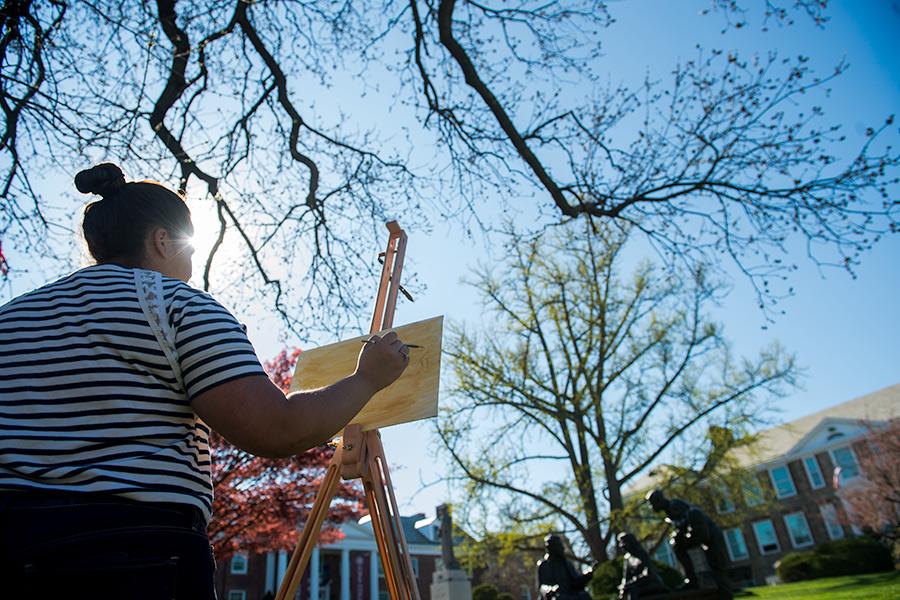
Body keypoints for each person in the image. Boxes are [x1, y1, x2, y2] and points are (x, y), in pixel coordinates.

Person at [0, 163, 411, 598]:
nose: (191, 267)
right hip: (130, 552)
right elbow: (276, 429)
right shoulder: (171, 304)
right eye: (190, 251)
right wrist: (367, 378)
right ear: (162, 240)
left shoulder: (13, 317)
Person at [645, 489, 732, 598]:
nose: (650, 507)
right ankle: (692, 579)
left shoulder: (675, 506)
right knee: (677, 545)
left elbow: (692, 520)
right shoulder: (669, 514)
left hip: (710, 537)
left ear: (658, 501)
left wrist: (683, 535)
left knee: (718, 571)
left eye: (651, 503)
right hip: (702, 538)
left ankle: (724, 595)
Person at [536, 534, 594, 600]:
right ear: (551, 548)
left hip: (570, 594)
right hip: (555, 595)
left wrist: (588, 574)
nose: (562, 548)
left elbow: (577, 582)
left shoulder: (567, 564)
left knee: (584, 595)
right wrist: (550, 589)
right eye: (559, 545)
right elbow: (542, 587)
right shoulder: (544, 565)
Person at [615, 532, 668, 600]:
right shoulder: (627, 558)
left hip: (651, 584)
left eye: (623, 542)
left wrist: (633, 582)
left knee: (633, 591)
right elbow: (626, 577)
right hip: (636, 585)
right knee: (625, 592)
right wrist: (623, 586)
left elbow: (648, 573)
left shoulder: (641, 554)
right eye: (620, 543)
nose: (621, 545)